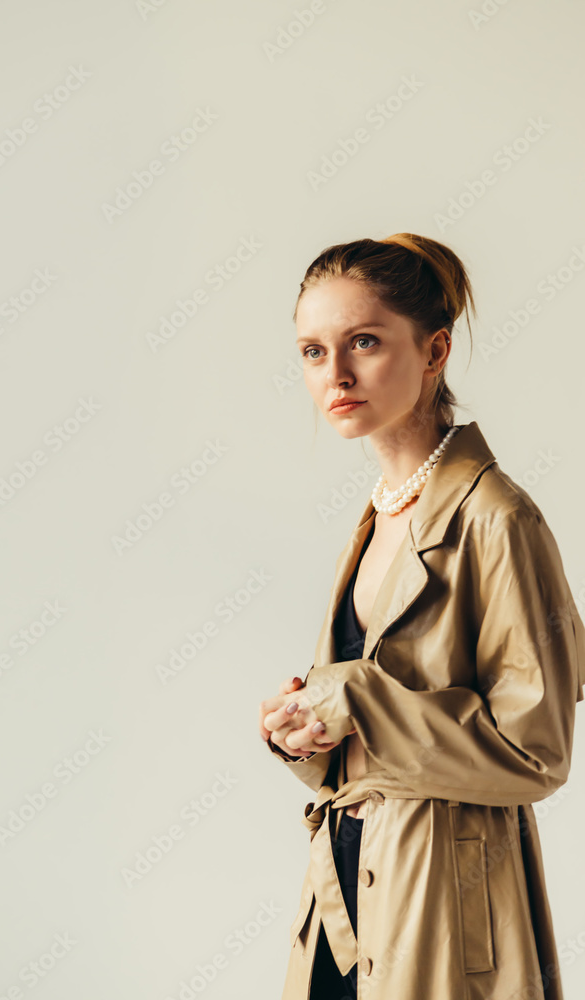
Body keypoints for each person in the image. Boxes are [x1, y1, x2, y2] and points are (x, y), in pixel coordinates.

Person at [259, 233, 585, 1000]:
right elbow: (371, 740)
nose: (334, 374)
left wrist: (358, 701)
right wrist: (303, 733)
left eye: (363, 342)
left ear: (434, 350)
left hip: (443, 903)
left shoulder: (498, 519)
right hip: (344, 896)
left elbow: (537, 753)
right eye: (312, 351)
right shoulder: (376, 517)